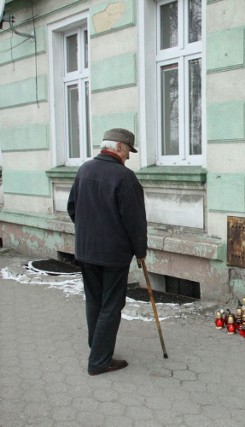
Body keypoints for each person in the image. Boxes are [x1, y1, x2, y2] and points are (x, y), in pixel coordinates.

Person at [67, 128, 147, 376]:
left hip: (87, 250)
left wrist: (88, 233)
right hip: (113, 255)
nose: (129, 157)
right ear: (120, 147)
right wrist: (140, 251)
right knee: (111, 305)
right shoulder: (125, 177)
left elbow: (72, 209)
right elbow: (135, 222)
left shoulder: (84, 170)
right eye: (128, 151)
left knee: (94, 300)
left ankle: (97, 347)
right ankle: (99, 361)